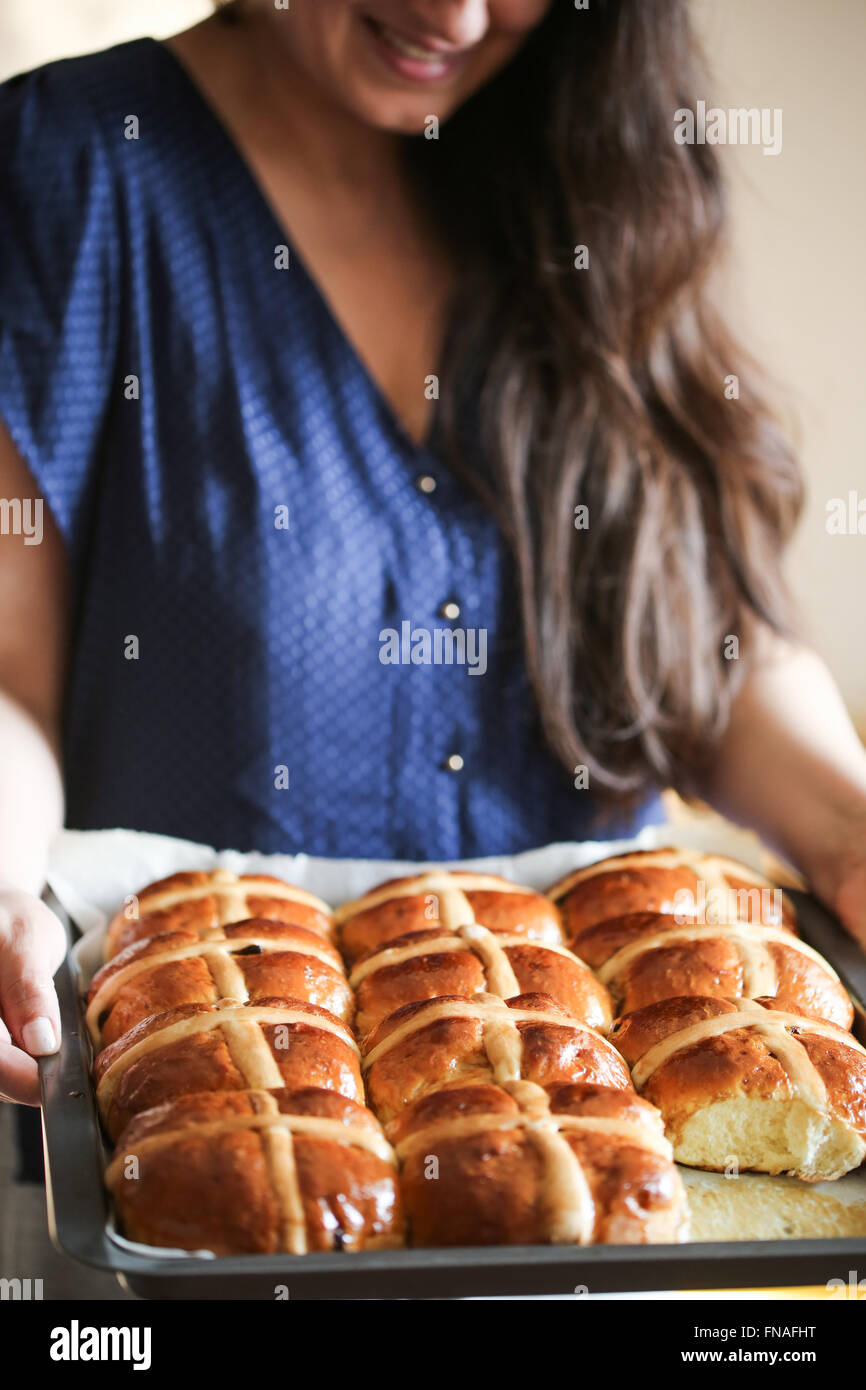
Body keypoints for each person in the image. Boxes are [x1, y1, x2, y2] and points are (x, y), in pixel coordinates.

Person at [1, 0, 865, 1153]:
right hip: (201, 1140)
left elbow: (703, 632)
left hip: (615, 1165)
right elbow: (13, 675)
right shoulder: (63, 163)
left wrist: (849, 830)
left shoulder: (592, 160)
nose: (454, 14)